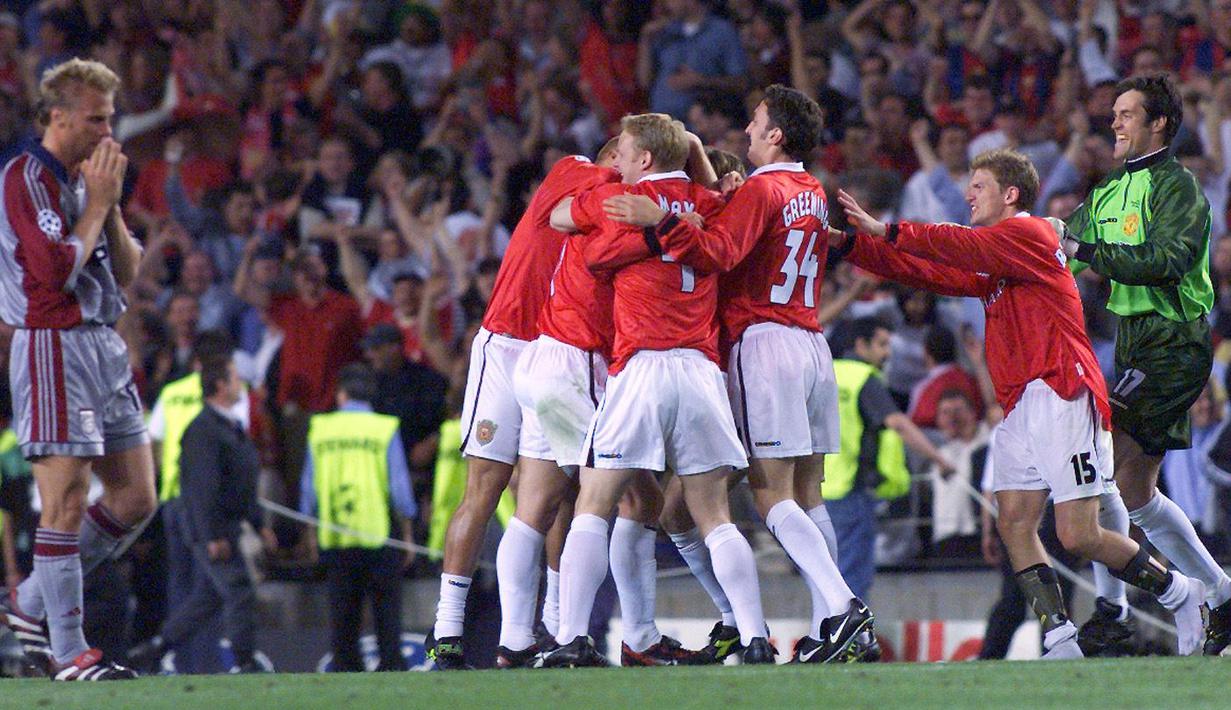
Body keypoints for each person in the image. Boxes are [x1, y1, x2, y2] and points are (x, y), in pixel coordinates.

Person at [834, 147, 1207, 658]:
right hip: (1020, 404)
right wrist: (848, 246)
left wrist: (888, 230)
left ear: (1010, 194)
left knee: (1077, 535)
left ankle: (1180, 592)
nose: (969, 195)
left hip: (1061, 390)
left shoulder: (1031, 234)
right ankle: (1059, 636)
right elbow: (928, 272)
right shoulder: (997, 259)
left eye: (978, 186)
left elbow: (954, 243)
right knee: (1013, 521)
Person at [599, 84, 874, 663]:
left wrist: (661, 219)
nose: (747, 130)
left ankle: (845, 608)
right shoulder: (811, 190)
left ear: (776, 134)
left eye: (755, 121)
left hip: (764, 343)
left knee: (770, 496)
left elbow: (717, 254)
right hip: (810, 341)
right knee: (807, 494)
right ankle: (829, 626)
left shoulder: (763, 189)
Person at [542, 112, 772, 667]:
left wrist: (636, 227)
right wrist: (693, 161)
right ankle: (755, 637)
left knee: (595, 502)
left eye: (622, 154)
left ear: (644, 159)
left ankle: (571, 637)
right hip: (700, 370)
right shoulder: (712, 204)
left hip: (640, 367)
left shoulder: (617, 201)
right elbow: (715, 205)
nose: (616, 164)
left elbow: (563, 224)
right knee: (714, 513)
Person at [499, 134, 711, 668]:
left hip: (544, 358)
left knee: (534, 507)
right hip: (579, 365)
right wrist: (668, 230)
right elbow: (606, 251)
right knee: (636, 502)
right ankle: (607, 636)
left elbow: (559, 218)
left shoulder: (593, 200)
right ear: (616, 159)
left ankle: (515, 640)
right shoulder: (616, 196)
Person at [427, 107, 621, 671]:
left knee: (555, 494)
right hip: (506, 343)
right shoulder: (576, 170)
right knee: (484, 489)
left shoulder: (616, 216)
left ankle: (552, 631)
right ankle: (446, 631)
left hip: (557, 353)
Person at [1060, 74, 1231, 655]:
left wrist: (1083, 251)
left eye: (1127, 114)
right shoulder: (1108, 191)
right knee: (1134, 490)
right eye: (1114, 113)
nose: (1114, 122)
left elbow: (1167, 260)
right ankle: (1221, 593)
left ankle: (1117, 611)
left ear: (1159, 123)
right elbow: (1056, 251)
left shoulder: (1179, 188)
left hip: (1175, 338)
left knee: (1105, 466)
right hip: (1134, 342)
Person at [0, 58, 154, 681]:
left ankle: (29, 602)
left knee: (136, 497)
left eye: (110, 119)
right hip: (53, 344)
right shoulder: (26, 177)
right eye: (96, 120)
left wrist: (108, 207)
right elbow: (54, 273)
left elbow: (129, 270)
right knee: (63, 502)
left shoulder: (89, 180)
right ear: (58, 117)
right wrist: (95, 207)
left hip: (102, 343)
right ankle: (69, 653)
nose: (107, 133)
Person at [136, 358, 269, 674]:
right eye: (235, 378)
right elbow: (202, 489)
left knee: (208, 597)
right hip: (211, 526)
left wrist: (259, 524)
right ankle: (245, 661)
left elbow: (241, 483)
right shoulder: (203, 430)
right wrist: (212, 536)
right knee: (238, 589)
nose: (241, 384)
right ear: (221, 386)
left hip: (224, 524)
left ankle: (155, 649)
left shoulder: (227, 426)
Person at [822, 318, 951, 600]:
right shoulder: (863, 378)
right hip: (851, 489)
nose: (887, 353)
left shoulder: (826, 372)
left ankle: (829, 626)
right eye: (882, 345)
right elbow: (898, 424)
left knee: (827, 577)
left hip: (817, 491)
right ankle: (852, 629)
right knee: (853, 578)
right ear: (861, 345)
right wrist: (939, 459)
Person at [301, 364, 417, 672]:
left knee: (343, 615)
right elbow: (398, 486)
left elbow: (309, 487)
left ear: (341, 394)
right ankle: (391, 666)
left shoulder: (321, 428)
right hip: (378, 533)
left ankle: (345, 667)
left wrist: (309, 532)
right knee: (386, 613)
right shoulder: (383, 428)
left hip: (335, 534)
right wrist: (407, 533)